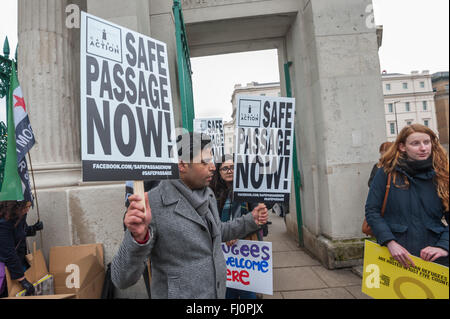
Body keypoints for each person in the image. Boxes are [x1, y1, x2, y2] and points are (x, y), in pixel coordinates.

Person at [111, 132, 268, 299]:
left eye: (211, 159)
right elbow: (121, 278)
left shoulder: (207, 194)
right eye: (205, 161)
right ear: (182, 165)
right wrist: (138, 238)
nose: (213, 166)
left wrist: (251, 220)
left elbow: (216, 232)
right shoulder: (152, 204)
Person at [365, 124, 449, 268]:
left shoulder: (442, 175)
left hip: (434, 258)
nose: (423, 148)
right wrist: (389, 242)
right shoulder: (387, 173)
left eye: (426, 142)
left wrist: (443, 247)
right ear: (402, 147)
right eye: (415, 143)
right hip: (395, 254)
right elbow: (372, 211)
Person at [210, 153, 264, 299]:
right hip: (223, 247)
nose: (229, 170)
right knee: (228, 288)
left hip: (246, 247)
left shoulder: (249, 189)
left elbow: (259, 220)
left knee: (247, 290)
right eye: (225, 168)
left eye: (233, 167)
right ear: (219, 173)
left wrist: (237, 234)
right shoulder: (212, 193)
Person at [0, 200, 43, 297]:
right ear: (16, 206)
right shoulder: (3, 222)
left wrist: (34, 228)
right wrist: (22, 280)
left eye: (29, 207)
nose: (28, 210)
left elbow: (20, 232)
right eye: (25, 207)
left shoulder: (19, 215)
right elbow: (7, 252)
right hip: (7, 267)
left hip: (18, 263)